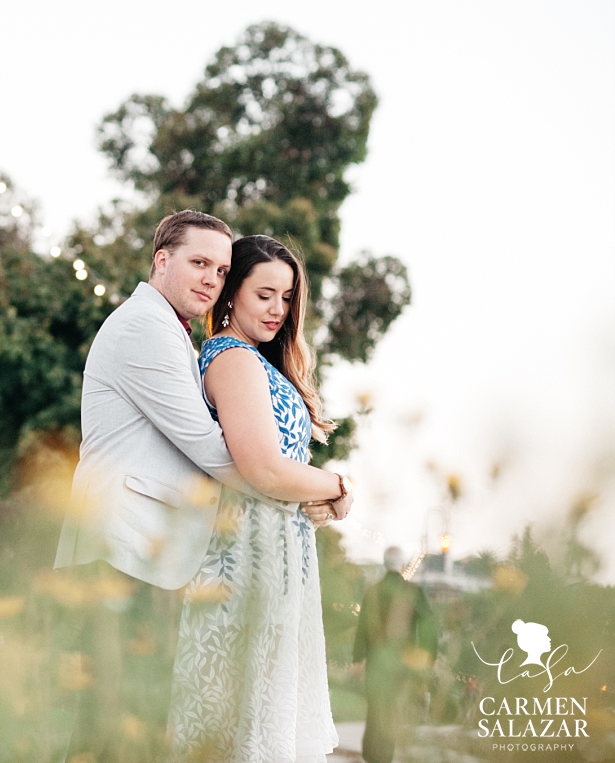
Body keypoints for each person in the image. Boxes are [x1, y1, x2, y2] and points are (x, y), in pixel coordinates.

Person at [54, 214, 350, 762]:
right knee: (110, 729)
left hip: (146, 550)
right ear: (161, 259)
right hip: (122, 547)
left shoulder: (176, 334)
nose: (211, 278)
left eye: (220, 267)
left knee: (126, 729)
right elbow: (219, 452)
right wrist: (321, 485)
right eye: (200, 263)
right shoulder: (146, 327)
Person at [166, 234, 351, 762]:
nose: (278, 309)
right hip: (245, 559)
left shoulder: (259, 361)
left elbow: (282, 471)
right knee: (241, 725)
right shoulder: (233, 358)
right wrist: (339, 486)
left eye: (288, 297)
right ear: (232, 293)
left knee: (268, 722)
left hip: (276, 555)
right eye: (264, 293)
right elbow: (266, 469)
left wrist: (318, 495)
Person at [352, 546, 438, 763]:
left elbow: (362, 629)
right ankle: (384, 757)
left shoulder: (372, 591)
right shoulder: (413, 591)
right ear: (402, 565)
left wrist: (357, 660)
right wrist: (429, 659)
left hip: (375, 662)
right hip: (402, 662)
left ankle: (371, 755)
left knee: (375, 709)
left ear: (384, 563)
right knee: (391, 710)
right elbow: (430, 626)